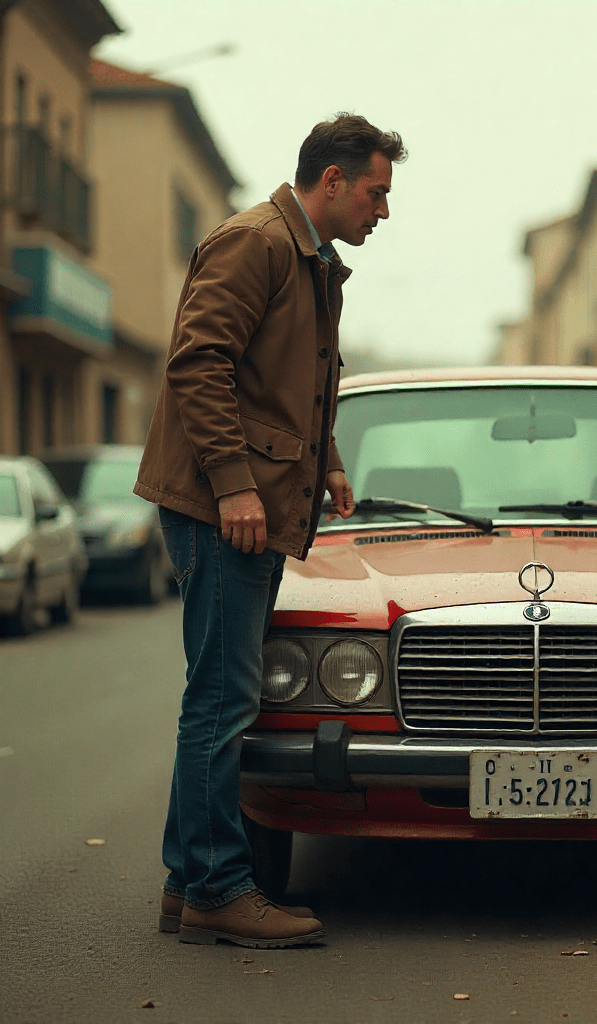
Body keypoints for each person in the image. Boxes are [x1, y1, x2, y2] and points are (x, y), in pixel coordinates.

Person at [135, 113, 406, 948]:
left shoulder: (311, 261)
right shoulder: (255, 243)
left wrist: (324, 459)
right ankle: (219, 884)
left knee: (219, 696)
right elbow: (198, 362)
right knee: (222, 701)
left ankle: (190, 882)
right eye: (376, 191)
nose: (383, 211)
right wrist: (234, 486)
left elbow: (301, 378)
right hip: (223, 510)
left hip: (247, 503)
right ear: (332, 180)